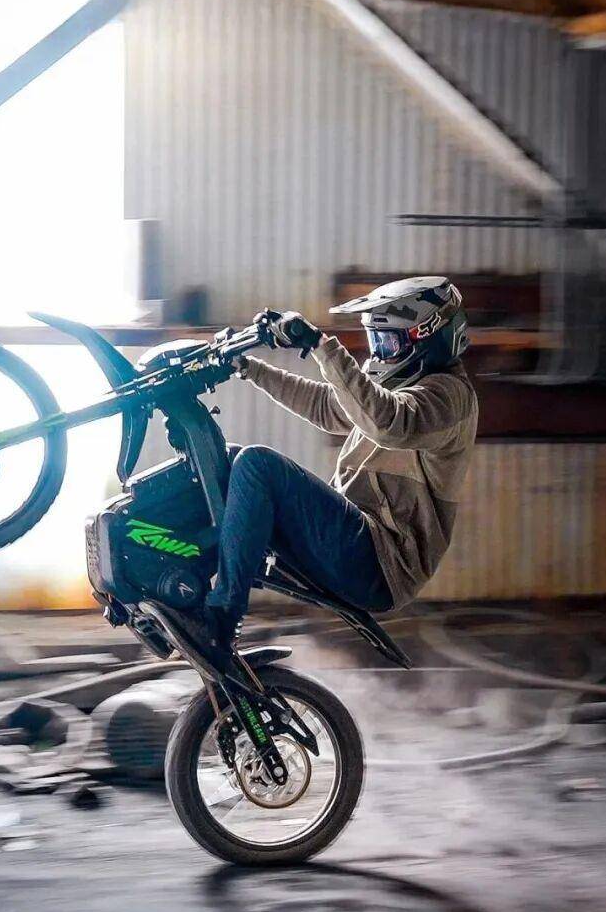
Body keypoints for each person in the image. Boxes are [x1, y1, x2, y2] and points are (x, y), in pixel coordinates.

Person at [202, 276, 477, 662]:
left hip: (380, 562)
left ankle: (221, 622)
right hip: (353, 544)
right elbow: (325, 406)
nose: (380, 355)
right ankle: (188, 585)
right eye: (375, 342)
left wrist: (319, 345)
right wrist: (247, 368)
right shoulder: (398, 388)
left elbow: (388, 422)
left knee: (256, 464)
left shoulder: (449, 398)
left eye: (388, 343)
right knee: (227, 460)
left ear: (428, 337)